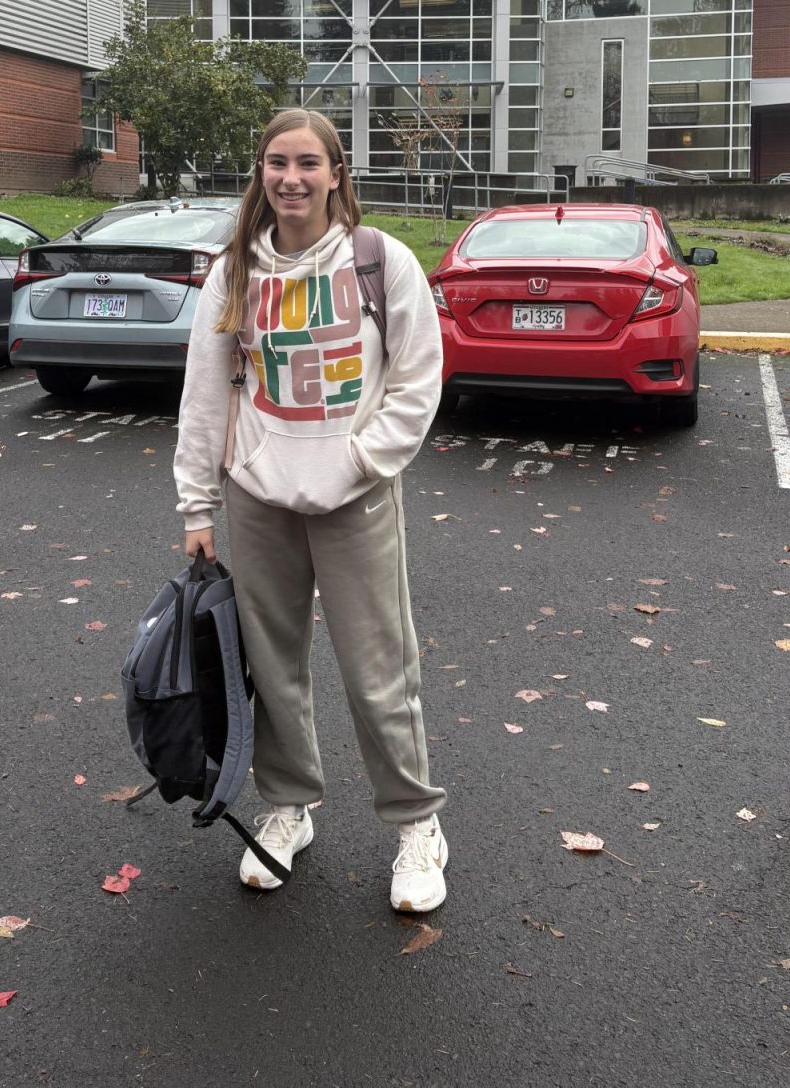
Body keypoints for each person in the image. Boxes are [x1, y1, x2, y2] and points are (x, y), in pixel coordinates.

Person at [172, 109, 447, 912]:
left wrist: (362, 461)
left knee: (378, 672)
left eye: (307, 164)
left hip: (356, 497)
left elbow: (417, 380)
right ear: (261, 173)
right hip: (258, 496)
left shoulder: (379, 261)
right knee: (271, 665)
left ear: (335, 174)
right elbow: (202, 395)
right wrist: (198, 504)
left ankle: (415, 823)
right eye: (275, 163)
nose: (290, 178)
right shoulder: (235, 274)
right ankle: (289, 808)